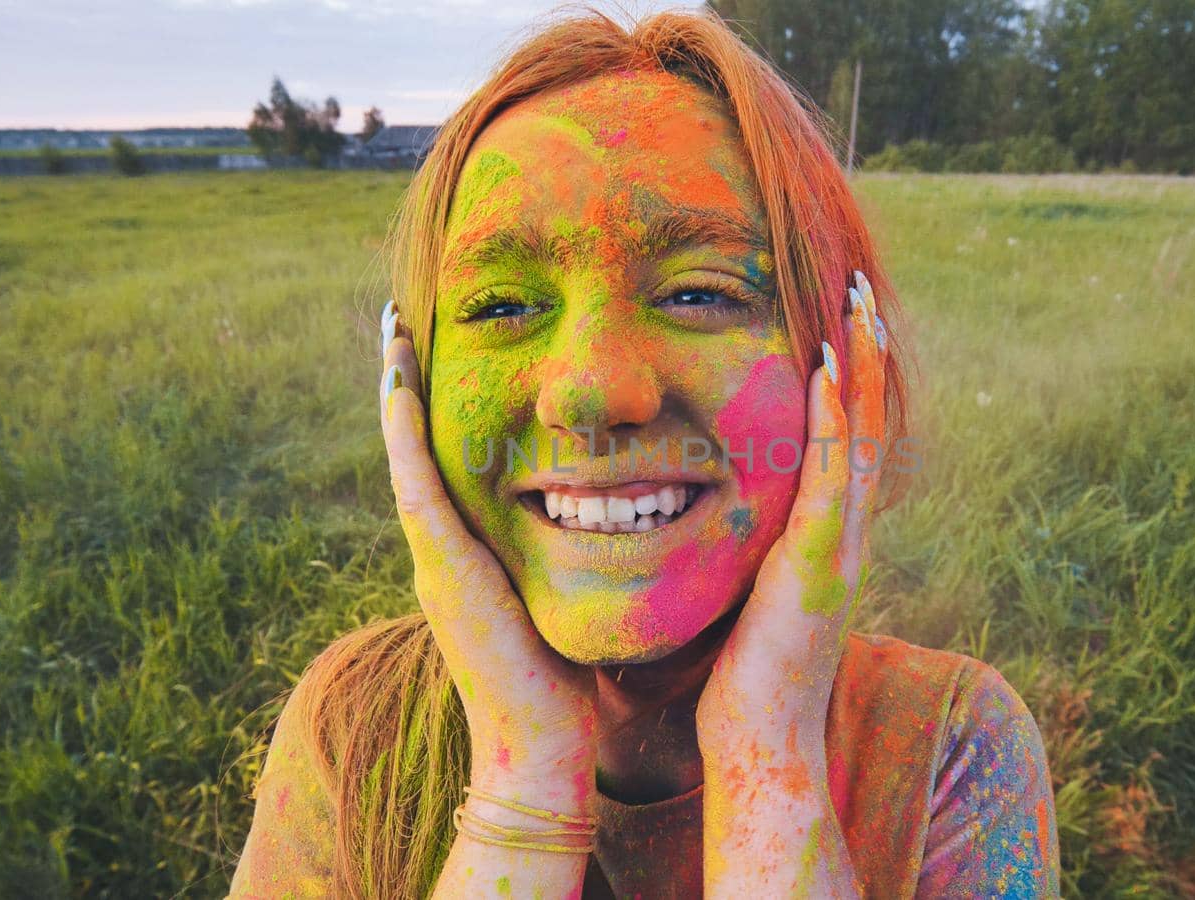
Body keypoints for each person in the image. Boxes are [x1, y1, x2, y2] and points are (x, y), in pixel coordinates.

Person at [231, 9, 1057, 898]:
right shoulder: (354, 727)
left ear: (846, 368)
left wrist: (765, 755)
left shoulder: (948, 744)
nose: (588, 389)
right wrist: (524, 783)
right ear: (415, 385)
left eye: (700, 293)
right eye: (503, 307)